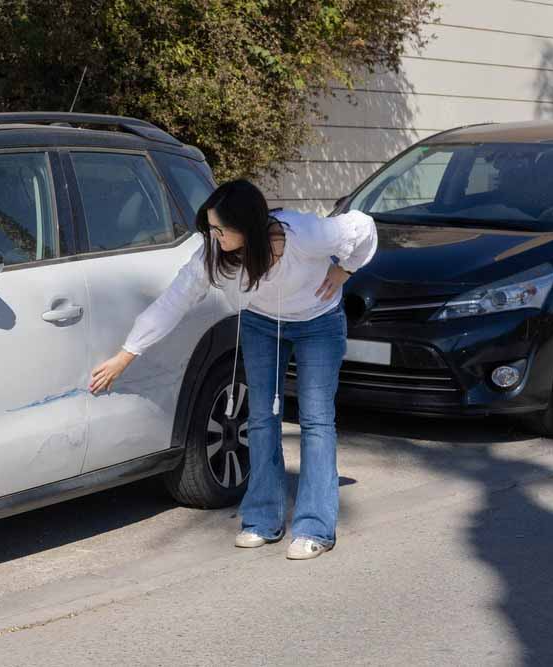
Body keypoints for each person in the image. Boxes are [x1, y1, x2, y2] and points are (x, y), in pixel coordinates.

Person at [90, 179, 377, 560]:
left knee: (316, 420)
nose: (214, 236)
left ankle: (315, 527)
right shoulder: (212, 256)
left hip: (317, 322)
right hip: (260, 323)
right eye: (211, 228)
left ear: (249, 226)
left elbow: (363, 227)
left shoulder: (303, 233)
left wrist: (347, 270)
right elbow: (172, 303)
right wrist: (127, 354)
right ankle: (261, 519)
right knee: (260, 418)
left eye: (221, 229)